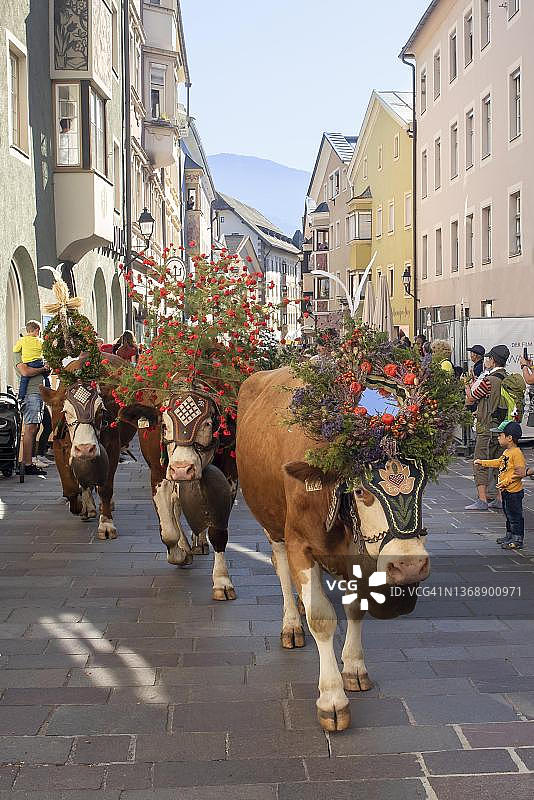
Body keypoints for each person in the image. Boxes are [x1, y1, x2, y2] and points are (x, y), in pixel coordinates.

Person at [464, 344, 510, 511]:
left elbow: (472, 397)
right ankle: (499, 498)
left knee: (480, 462)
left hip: (486, 428)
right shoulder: (508, 377)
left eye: (488, 358)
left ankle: (482, 499)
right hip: (503, 428)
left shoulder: (489, 380)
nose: (486, 361)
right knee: (501, 463)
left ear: (493, 360)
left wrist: (467, 385)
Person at [475, 420, 525, 550]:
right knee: (508, 515)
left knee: (515, 516)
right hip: (506, 491)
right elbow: (499, 462)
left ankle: (517, 539)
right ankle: (509, 535)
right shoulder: (507, 452)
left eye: (500, 435)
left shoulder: (517, 453)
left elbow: (520, 473)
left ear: (509, 438)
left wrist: (506, 482)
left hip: (514, 492)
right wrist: (483, 462)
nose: (498, 437)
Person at [12, 351, 49, 476]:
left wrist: (46, 369)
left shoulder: (36, 352)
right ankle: (26, 464)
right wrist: (42, 369)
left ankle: (29, 462)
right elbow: (25, 372)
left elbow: (43, 372)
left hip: (39, 393)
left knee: (35, 428)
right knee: (30, 428)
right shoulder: (18, 352)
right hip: (30, 393)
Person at [13, 321, 51, 400]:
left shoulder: (22, 340)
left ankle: (20, 397)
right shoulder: (40, 341)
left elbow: (15, 349)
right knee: (46, 376)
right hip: (39, 362)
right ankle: (49, 391)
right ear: (37, 330)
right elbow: (46, 351)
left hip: (29, 363)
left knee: (24, 380)